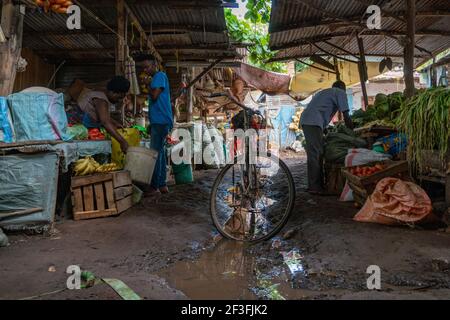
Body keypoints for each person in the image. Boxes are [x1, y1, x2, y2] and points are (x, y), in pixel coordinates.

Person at [300, 80, 354, 195]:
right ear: (342, 88)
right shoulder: (339, 92)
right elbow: (346, 114)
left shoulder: (326, 92)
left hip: (310, 120)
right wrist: (352, 129)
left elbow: (320, 109)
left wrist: (324, 128)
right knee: (315, 153)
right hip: (312, 121)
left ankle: (316, 185)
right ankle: (315, 187)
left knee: (316, 153)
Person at [135, 53, 173, 194]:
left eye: (147, 67)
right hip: (160, 121)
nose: (145, 70)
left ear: (154, 64)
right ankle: (162, 185)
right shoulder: (157, 78)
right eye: (143, 68)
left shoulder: (159, 76)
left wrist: (146, 84)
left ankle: (154, 186)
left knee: (154, 153)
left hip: (161, 120)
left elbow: (155, 95)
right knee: (160, 153)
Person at [68, 77, 130, 153]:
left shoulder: (101, 95)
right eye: (119, 97)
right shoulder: (101, 100)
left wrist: (114, 122)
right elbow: (105, 122)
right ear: (113, 92)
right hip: (75, 129)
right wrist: (122, 142)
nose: (119, 100)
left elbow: (102, 115)